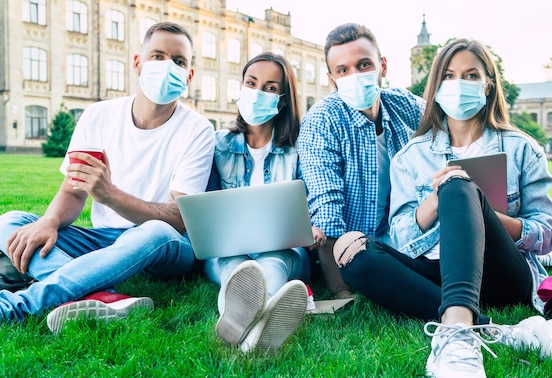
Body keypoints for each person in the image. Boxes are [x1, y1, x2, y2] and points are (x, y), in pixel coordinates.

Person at [332, 38, 552, 377]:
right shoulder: (411, 157)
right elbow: (400, 235)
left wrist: (481, 209)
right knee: (349, 249)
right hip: (438, 269)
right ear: (435, 87)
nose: (459, 85)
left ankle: (456, 336)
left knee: (459, 183)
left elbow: (547, 235)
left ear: (488, 84)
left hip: (502, 274)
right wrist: (436, 201)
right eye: (450, 76)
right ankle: (497, 331)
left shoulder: (521, 149)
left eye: (471, 75)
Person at [0, 22, 215, 333]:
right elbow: (73, 192)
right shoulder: (99, 115)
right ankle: (100, 297)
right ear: (138, 63)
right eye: (157, 56)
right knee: (10, 222)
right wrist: (48, 220)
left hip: (167, 246)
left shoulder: (197, 129)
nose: (167, 66)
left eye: (178, 61)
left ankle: (19, 305)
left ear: (189, 75)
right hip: (104, 241)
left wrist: (109, 195)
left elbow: (180, 218)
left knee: (153, 230)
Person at [203, 52, 325, 353]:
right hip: (228, 251)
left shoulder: (301, 147)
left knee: (272, 260)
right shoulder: (217, 144)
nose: (257, 93)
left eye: (270, 87)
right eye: (251, 83)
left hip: (285, 251)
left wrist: (315, 227)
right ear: (241, 86)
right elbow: (204, 208)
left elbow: (315, 204)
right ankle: (257, 330)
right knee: (234, 264)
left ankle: (242, 324)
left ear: (282, 99)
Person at [296, 23, 425, 299]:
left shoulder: (403, 104)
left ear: (383, 67)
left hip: (402, 235)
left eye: (364, 64)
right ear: (332, 80)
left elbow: (451, 126)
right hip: (355, 248)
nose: (355, 75)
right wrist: (342, 292)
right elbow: (326, 208)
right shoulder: (321, 121)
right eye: (343, 70)